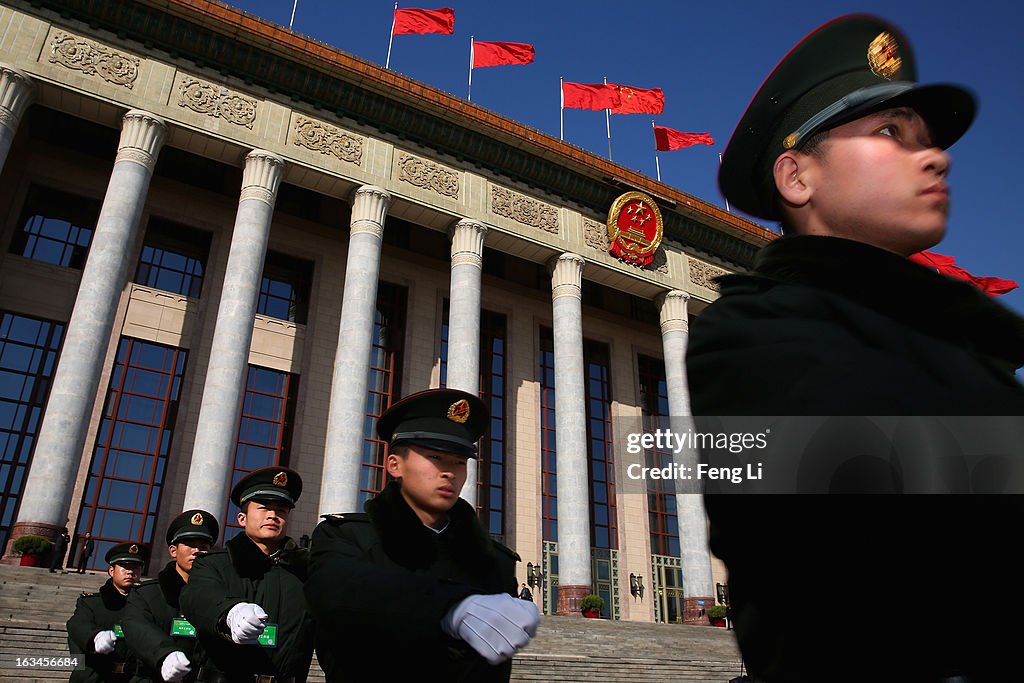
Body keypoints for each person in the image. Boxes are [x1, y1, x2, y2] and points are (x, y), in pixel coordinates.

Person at [688, 14, 1024, 682]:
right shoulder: (750, 334)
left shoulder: (966, 341)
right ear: (797, 177)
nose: (937, 156)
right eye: (891, 133)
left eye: (927, 139)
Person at [306, 388, 539, 682]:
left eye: (459, 462)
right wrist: (451, 607)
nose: (449, 473)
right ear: (395, 465)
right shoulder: (346, 538)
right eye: (435, 456)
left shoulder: (494, 561)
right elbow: (338, 596)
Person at [180, 467, 314, 683]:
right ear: (242, 518)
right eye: (264, 508)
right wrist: (229, 612)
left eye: (281, 510)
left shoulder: (303, 572)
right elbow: (197, 597)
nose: (273, 515)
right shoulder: (215, 564)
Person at [122, 509, 219, 683]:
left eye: (204, 546)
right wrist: (164, 653)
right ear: (173, 551)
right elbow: (136, 627)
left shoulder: (220, 596)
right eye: (190, 544)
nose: (197, 551)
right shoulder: (147, 594)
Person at [66, 542, 147, 682]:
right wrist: (95, 637)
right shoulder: (92, 603)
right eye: (125, 567)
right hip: (97, 676)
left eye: (136, 567)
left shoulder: (146, 605)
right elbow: (77, 625)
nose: (130, 572)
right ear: (111, 571)